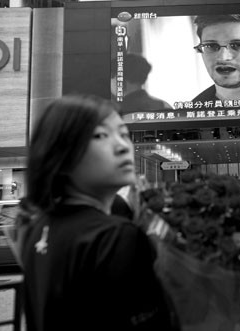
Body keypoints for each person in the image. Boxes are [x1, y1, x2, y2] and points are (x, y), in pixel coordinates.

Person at [18, 95, 178, 331]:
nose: (123, 146)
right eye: (100, 135)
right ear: (61, 153)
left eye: (124, 134)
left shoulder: (38, 227)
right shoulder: (115, 237)